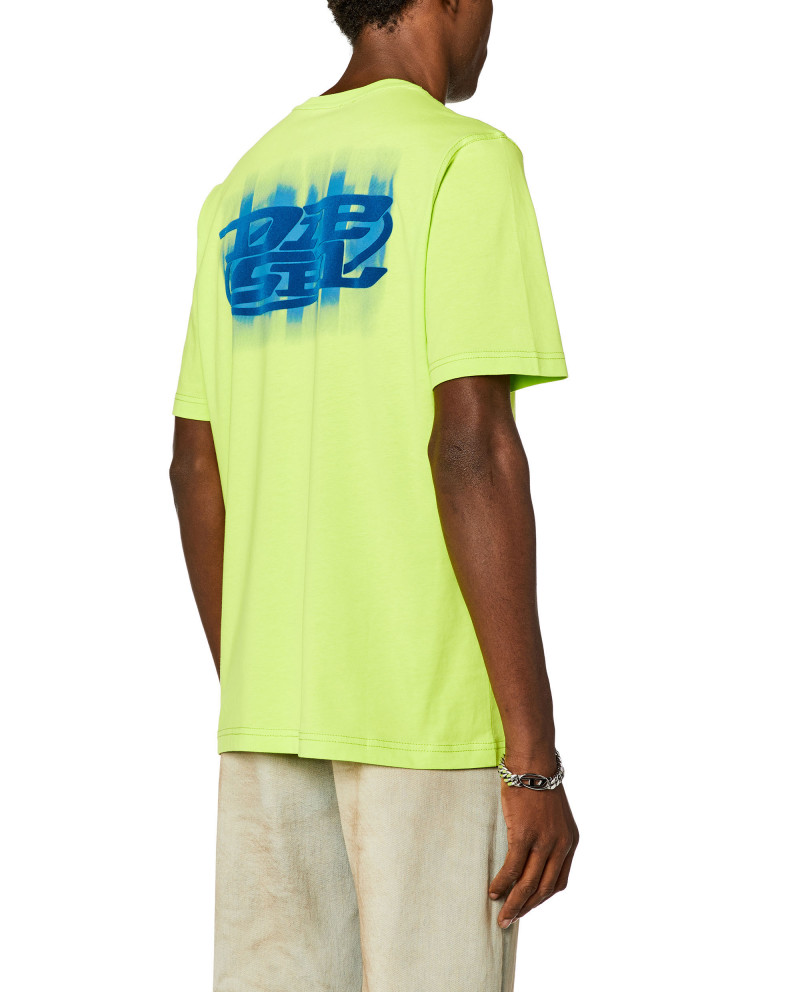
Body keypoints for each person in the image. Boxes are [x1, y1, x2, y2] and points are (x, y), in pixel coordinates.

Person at [169, 1, 579, 988]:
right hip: (425, 715)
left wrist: (257, 676)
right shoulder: (461, 161)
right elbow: (472, 446)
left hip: (269, 709)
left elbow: (195, 466)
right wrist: (532, 756)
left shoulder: (240, 190)